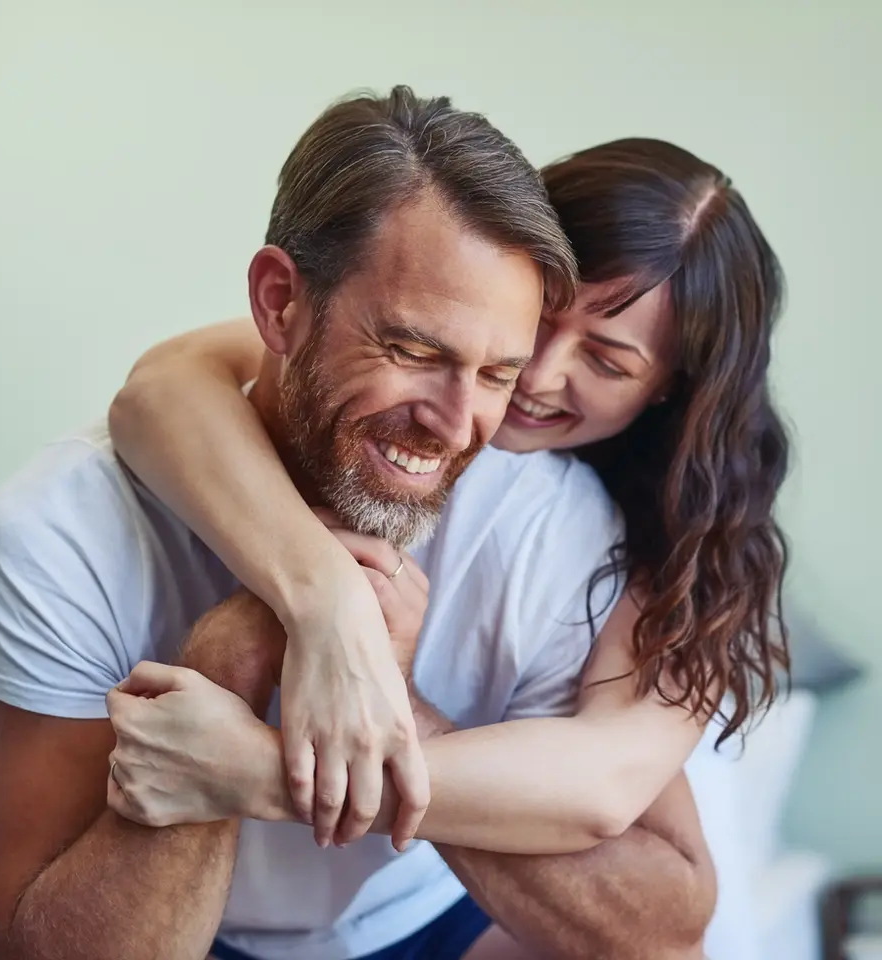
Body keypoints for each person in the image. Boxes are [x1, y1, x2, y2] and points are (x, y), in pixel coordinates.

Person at [0, 86, 653, 960]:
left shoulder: (554, 525)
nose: (453, 422)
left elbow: (660, 929)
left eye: (496, 374)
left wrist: (387, 690)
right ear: (279, 301)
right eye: (412, 351)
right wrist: (229, 662)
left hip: (437, 912)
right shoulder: (60, 530)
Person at [102, 134, 791, 957]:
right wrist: (329, 603)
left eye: (606, 359)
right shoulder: (420, 365)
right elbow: (163, 387)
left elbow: (602, 790)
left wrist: (258, 772)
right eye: (539, 321)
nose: (535, 376)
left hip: (541, 792)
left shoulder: (678, 546)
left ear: (674, 385)